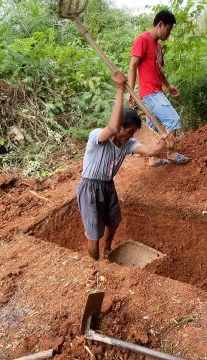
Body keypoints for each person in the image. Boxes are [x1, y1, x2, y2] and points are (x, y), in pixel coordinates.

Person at [77, 71, 166, 260]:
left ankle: (108, 249)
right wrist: (119, 90)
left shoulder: (128, 145)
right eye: (130, 131)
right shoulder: (98, 137)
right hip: (90, 187)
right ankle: (95, 268)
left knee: (114, 220)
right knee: (94, 233)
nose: (132, 136)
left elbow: (151, 151)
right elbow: (111, 128)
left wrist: (165, 141)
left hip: (108, 186)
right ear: (121, 127)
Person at [128, 9, 188, 167]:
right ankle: (171, 152)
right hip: (150, 92)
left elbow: (159, 69)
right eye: (168, 30)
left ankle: (153, 158)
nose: (168, 34)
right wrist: (130, 90)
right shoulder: (142, 39)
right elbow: (133, 64)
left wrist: (168, 86)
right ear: (160, 25)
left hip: (156, 91)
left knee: (153, 126)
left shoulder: (158, 47)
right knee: (173, 120)